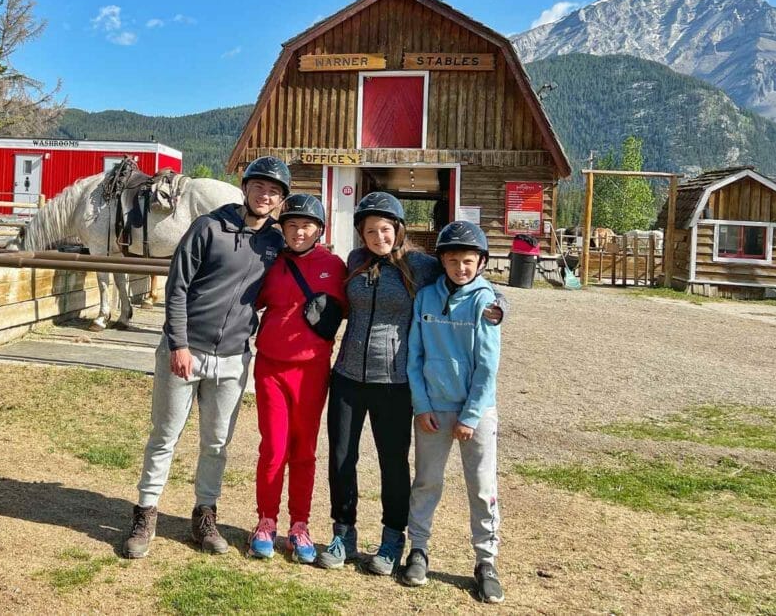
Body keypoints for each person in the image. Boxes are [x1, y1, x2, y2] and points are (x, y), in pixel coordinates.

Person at [317, 193, 506, 577]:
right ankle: (344, 533)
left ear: (398, 230)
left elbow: (466, 277)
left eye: (385, 229)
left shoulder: (419, 265)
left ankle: (391, 539)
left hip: (395, 381)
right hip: (348, 376)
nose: (378, 236)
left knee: (393, 464)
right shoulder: (355, 261)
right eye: (370, 231)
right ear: (362, 234)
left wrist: (497, 304)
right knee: (341, 459)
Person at [122, 156, 289, 559]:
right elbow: (177, 287)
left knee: (217, 443)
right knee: (165, 435)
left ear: (281, 200)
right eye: (260, 187)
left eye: (274, 191)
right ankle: (145, 514)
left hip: (233, 357)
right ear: (245, 188)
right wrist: (177, 343)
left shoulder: (276, 242)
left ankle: (205, 515)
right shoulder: (208, 227)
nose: (265, 196)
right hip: (186, 349)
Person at [402, 220, 504, 604]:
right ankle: (419, 550)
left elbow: (488, 365)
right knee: (426, 481)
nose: (460, 268)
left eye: (468, 261)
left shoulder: (486, 302)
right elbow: (414, 355)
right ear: (441, 261)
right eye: (453, 260)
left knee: (481, 487)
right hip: (432, 410)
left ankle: (487, 561)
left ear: (480, 262)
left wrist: (471, 415)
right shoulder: (426, 298)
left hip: (474, 413)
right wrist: (421, 405)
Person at [247, 194, 346, 564]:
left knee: (304, 450)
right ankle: (266, 521)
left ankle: (300, 524)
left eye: (306, 225)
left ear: (319, 229)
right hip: (271, 367)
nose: (299, 232)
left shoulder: (334, 266)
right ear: (282, 229)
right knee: (273, 447)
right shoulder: (268, 263)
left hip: (312, 370)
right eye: (291, 225)